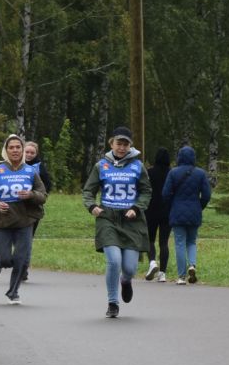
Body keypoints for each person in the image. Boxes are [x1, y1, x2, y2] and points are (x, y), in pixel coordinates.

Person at [82, 127, 150, 319]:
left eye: (125, 144)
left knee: (129, 267)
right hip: (108, 218)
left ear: (130, 146)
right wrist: (92, 206)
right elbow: (88, 191)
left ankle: (126, 281)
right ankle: (113, 302)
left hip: (131, 220)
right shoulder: (101, 166)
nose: (121, 147)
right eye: (118, 143)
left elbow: (146, 191)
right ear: (111, 143)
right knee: (114, 260)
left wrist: (136, 208)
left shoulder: (138, 166)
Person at [0, 133, 46, 304]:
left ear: (22, 150)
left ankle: (13, 293)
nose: (15, 150)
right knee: (5, 258)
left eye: (18, 147)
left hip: (25, 219)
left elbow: (43, 195)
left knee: (21, 258)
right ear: (6, 150)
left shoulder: (30, 171)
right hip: (2, 220)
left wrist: (31, 195)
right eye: (11, 147)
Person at [162, 145, 212, 284]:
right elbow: (207, 194)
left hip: (177, 211)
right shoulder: (201, 173)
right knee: (191, 241)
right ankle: (192, 264)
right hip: (194, 211)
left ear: (179, 157)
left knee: (179, 243)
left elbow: (165, 194)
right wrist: (199, 206)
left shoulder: (173, 173)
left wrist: (172, 205)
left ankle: (181, 276)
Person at [20, 138, 52, 281]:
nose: (29, 154)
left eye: (32, 152)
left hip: (33, 207)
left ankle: (23, 269)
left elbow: (47, 185)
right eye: (27, 151)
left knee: (27, 239)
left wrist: (37, 196)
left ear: (36, 153)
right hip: (15, 206)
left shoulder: (39, 167)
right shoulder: (14, 164)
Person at [144, 147, 173, 281]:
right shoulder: (172, 173)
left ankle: (152, 262)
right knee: (164, 242)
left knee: (150, 239)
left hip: (150, 209)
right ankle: (162, 273)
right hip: (167, 210)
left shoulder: (149, 172)